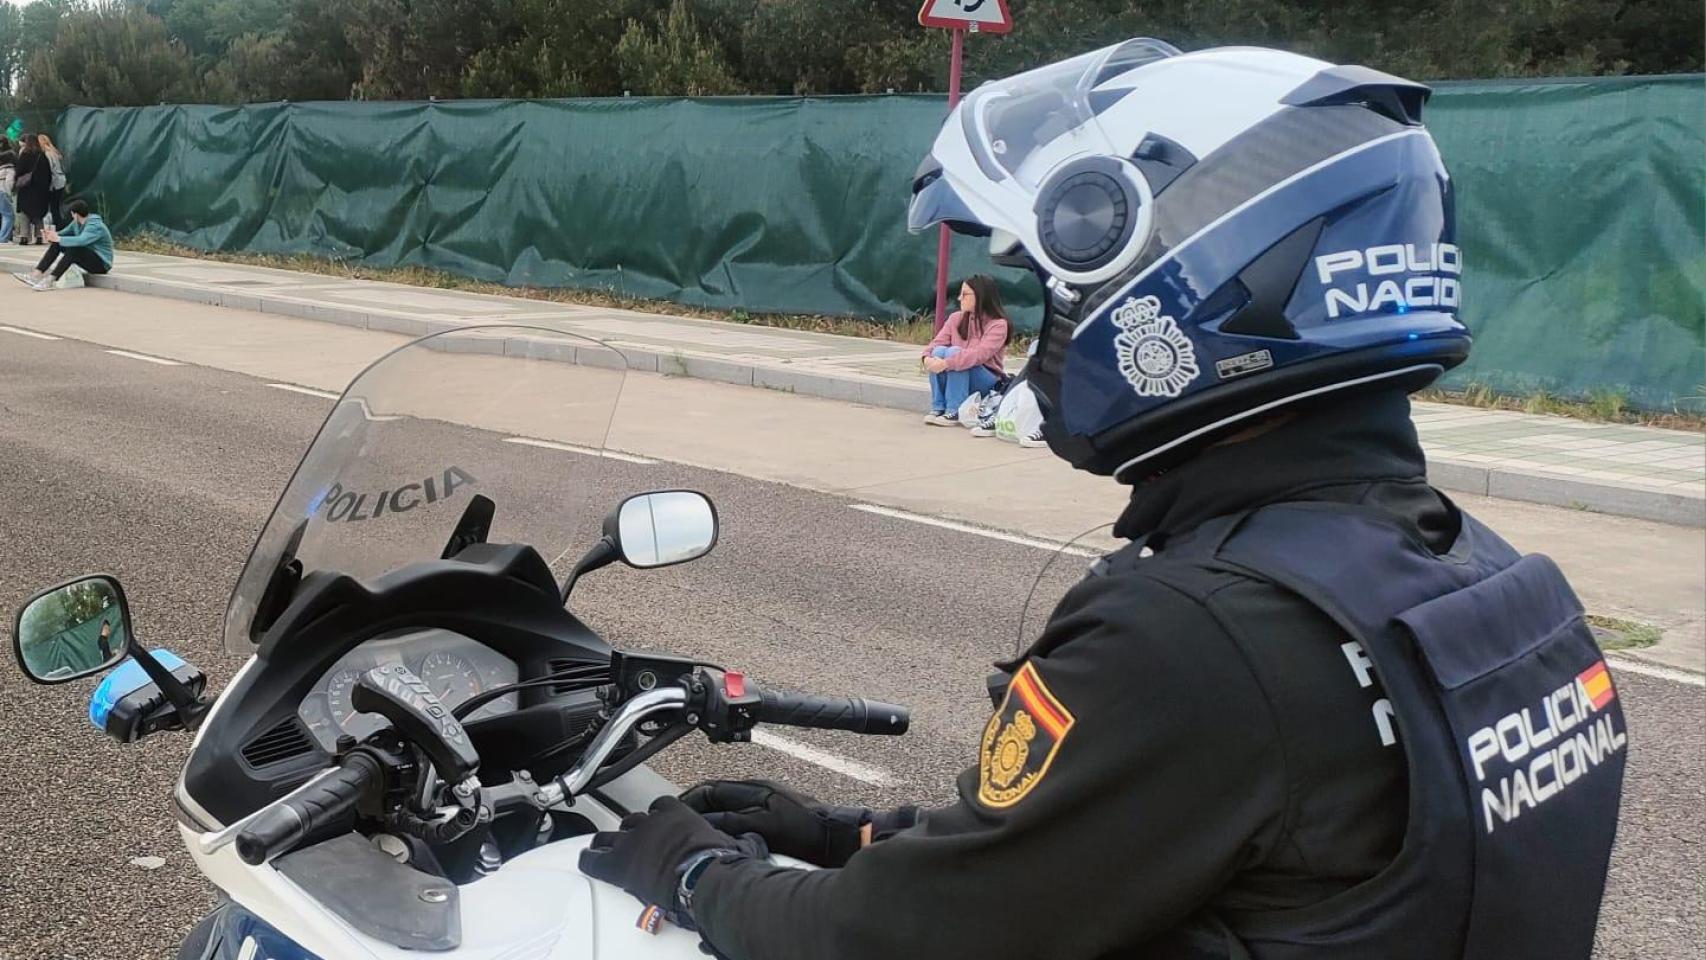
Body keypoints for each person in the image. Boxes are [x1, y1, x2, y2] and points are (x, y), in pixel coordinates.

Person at [578, 40, 1628, 960]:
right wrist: (843, 830)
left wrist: (690, 871)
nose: (1053, 343)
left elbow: (892, 939)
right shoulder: (1478, 580)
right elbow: (1132, 846)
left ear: (1191, 286)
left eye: (1060, 298)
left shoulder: (1198, 634)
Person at [920, 274, 1010, 425]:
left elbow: (979, 355)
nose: (959, 298)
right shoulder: (956, 318)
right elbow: (936, 342)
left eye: (965, 294)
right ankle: (938, 407)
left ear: (981, 296)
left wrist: (947, 363)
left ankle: (955, 410)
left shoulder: (999, 325)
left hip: (986, 380)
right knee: (938, 351)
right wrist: (926, 358)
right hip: (958, 374)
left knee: (954, 353)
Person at [16, 199, 113, 290]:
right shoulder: (76, 223)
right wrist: (51, 235)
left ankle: (50, 280)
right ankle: (35, 275)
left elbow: (82, 240)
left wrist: (59, 238)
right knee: (57, 244)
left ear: (74, 214)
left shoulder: (95, 225)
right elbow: (63, 233)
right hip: (89, 257)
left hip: (102, 264)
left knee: (74, 249)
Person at [13, 133, 51, 245]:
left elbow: (18, 171)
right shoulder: (42, 156)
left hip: (26, 189)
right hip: (40, 191)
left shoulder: (24, 155)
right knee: (38, 214)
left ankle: (24, 237)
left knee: (25, 213)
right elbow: (48, 174)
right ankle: (39, 237)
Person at [38, 133, 67, 228]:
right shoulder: (55, 152)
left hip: (55, 183)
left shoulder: (47, 154)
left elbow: (49, 170)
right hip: (61, 181)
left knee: (54, 208)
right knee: (56, 207)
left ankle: (59, 229)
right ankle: (60, 227)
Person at [0, 145, 15, 244]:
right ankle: (3, 237)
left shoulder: (1, 169)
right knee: (9, 215)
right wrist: (9, 194)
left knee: (4, 214)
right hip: (3, 192)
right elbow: (9, 183)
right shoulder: (10, 170)